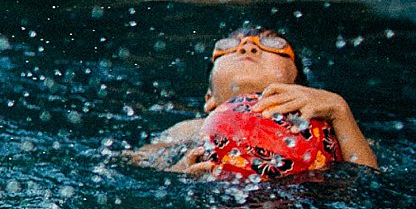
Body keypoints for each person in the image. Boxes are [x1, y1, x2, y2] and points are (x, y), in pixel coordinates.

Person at [135, 27, 378, 172]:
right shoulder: (189, 130)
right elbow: (134, 166)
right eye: (231, 47)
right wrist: (179, 176)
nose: (248, 47)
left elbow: (366, 184)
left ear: (301, 89)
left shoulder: (327, 129)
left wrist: (338, 109)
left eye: (271, 45)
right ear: (210, 100)